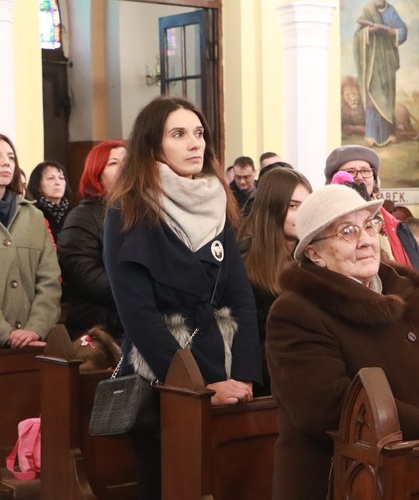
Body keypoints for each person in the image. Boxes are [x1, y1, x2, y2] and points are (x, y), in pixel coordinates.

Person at [266, 184, 419, 499]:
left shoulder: (402, 295)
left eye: (370, 225)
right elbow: (327, 406)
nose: (366, 240)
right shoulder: (296, 311)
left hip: (409, 474)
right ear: (315, 254)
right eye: (348, 232)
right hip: (336, 480)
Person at [104, 96, 262, 499]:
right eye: (179, 134)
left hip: (226, 368)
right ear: (153, 146)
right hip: (165, 379)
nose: (195, 144)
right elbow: (137, 315)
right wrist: (203, 385)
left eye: (199, 133)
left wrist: (242, 373)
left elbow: (241, 295)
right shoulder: (127, 211)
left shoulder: (215, 203)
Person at [324, 145, 419, 366]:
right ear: (335, 181)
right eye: (350, 171)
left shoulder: (398, 228)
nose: (359, 177)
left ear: (374, 178)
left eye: (365, 170)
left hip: (412, 333)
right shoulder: (326, 233)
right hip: (362, 341)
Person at [238, 167, 312, 397]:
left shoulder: (314, 259)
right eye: (293, 206)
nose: (302, 215)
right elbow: (244, 338)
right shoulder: (244, 261)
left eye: (307, 206)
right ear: (272, 207)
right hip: (266, 382)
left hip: (309, 374)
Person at [58, 140, 127, 340]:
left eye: (127, 162)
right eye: (114, 163)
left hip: (135, 321)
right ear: (97, 174)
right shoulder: (82, 216)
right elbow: (84, 273)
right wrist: (137, 292)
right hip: (98, 329)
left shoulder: (144, 212)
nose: (124, 168)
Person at [0, 134, 61, 348]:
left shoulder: (33, 216)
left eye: (10, 157)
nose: (5, 162)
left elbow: (49, 280)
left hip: (32, 344)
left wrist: (35, 328)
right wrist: (6, 333)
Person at [354, 0, 407, 147]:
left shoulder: (391, 11)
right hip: (372, 63)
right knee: (372, 97)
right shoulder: (368, 9)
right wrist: (368, 32)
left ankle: (388, 133)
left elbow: (403, 30)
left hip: (387, 63)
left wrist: (390, 31)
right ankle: (371, 134)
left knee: (386, 99)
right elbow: (358, 34)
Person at [26, 160, 73, 243]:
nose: (58, 182)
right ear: (38, 186)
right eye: (50, 178)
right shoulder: (33, 213)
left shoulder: (74, 213)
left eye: (61, 178)